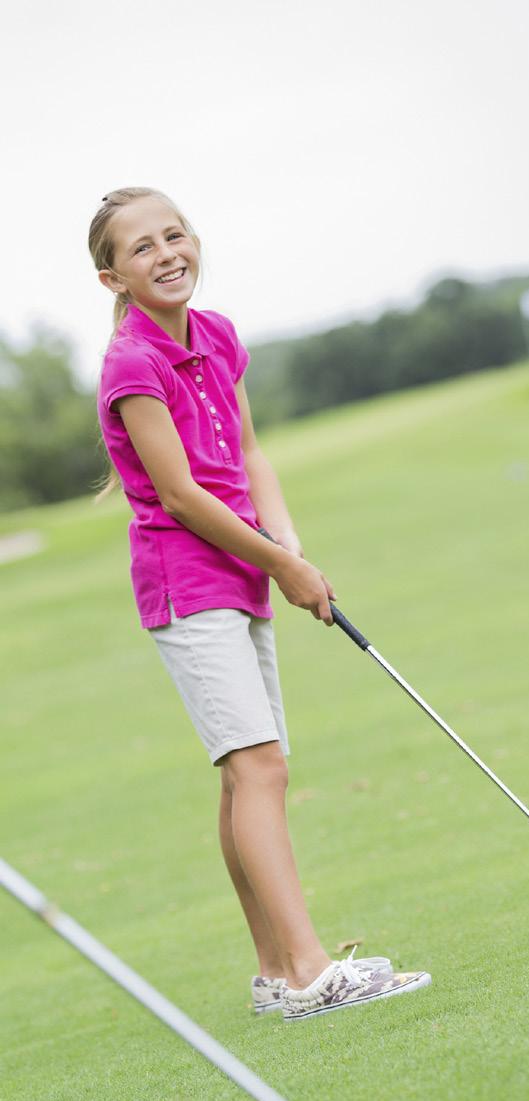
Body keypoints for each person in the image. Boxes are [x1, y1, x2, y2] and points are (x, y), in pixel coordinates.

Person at [88, 187, 430, 1022]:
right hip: (187, 578)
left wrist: (290, 546)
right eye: (142, 248)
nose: (166, 253)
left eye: (176, 235)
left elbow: (246, 452)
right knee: (259, 766)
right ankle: (313, 970)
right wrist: (281, 562)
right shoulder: (132, 362)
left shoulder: (218, 334)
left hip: (240, 572)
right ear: (113, 277)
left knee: (246, 771)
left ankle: (277, 972)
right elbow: (177, 493)